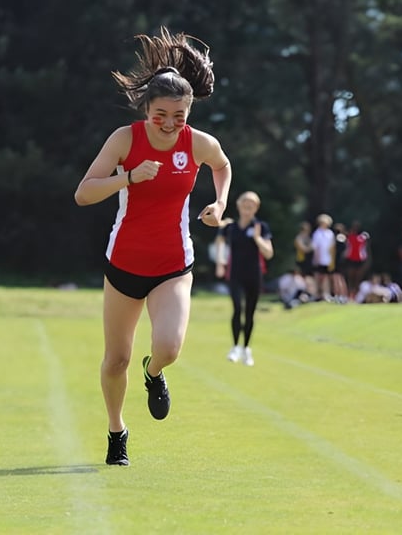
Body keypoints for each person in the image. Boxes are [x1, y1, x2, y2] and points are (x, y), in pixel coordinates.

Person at [73, 27, 231, 466]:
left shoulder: (197, 142)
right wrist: (127, 176)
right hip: (123, 265)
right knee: (114, 360)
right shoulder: (125, 140)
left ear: (189, 111)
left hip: (173, 264)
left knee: (168, 347)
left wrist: (219, 202)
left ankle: (155, 372)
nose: (169, 123)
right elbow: (83, 193)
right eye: (161, 114)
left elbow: (222, 165)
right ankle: (116, 430)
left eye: (179, 115)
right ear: (147, 109)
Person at [215, 191, 274, 365]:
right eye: (244, 205)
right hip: (235, 274)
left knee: (250, 313)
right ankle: (235, 347)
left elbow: (269, 253)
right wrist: (220, 263)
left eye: (251, 206)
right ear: (239, 206)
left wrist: (257, 238)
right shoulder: (231, 227)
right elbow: (219, 243)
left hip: (254, 275)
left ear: (256, 208)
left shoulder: (261, 227)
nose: (247, 209)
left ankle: (246, 348)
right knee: (237, 309)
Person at [311, 214, 334, 301]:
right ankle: (317, 293)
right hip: (319, 258)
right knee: (317, 276)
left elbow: (332, 247)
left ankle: (326, 293)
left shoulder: (330, 233)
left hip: (327, 259)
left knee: (326, 277)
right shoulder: (317, 233)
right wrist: (316, 258)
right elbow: (316, 247)